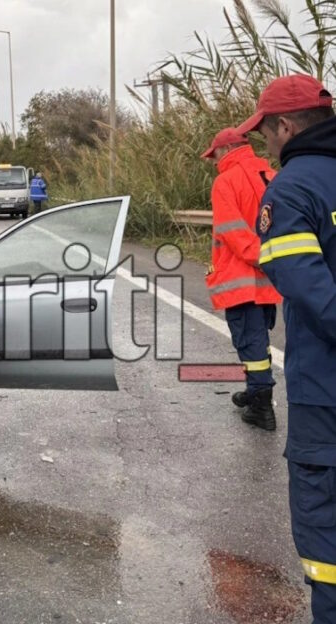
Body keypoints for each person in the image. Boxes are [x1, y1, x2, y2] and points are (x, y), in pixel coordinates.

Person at [236, 74, 336, 622]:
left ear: (286, 126)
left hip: (326, 391)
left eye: (267, 132)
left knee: (325, 530)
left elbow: (310, 289)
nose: (266, 144)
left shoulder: (293, 189)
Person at [201, 127, 282, 430]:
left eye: (214, 154)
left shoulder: (226, 181)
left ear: (226, 150)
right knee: (259, 340)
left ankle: (261, 408)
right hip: (268, 278)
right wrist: (272, 261)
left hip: (242, 277)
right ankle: (253, 392)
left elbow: (232, 230)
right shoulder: (271, 175)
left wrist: (258, 257)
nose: (213, 161)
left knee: (250, 342)